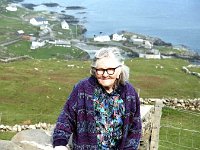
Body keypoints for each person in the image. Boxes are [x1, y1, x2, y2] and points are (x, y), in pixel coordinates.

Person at [52, 47, 142, 150]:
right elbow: (66, 117)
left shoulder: (129, 92)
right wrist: (60, 143)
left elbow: (135, 128)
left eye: (110, 70)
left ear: (119, 70)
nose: (105, 74)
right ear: (94, 71)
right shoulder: (82, 88)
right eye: (100, 70)